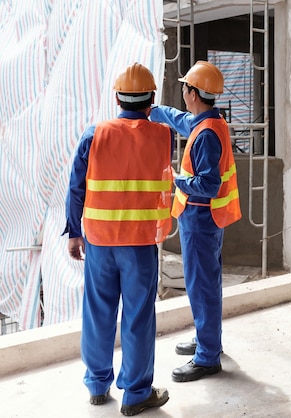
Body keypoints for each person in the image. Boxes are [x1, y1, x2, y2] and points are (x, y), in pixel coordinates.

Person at [64, 63, 173, 416]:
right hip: (140, 243)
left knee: (98, 312)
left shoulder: (93, 134)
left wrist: (74, 232)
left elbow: (76, 188)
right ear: (152, 99)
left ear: (116, 97)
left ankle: (97, 385)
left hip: (99, 240)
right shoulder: (162, 135)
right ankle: (136, 393)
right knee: (138, 316)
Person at [149, 60, 242, 382]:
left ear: (191, 93)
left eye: (185, 87)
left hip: (201, 217)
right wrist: (155, 110)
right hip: (206, 218)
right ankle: (208, 341)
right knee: (206, 283)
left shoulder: (205, 136)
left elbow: (208, 183)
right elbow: (183, 120)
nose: (183, 93)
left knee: (201, 285)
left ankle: (207, 357)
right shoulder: (211, 122)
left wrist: (177, 179)